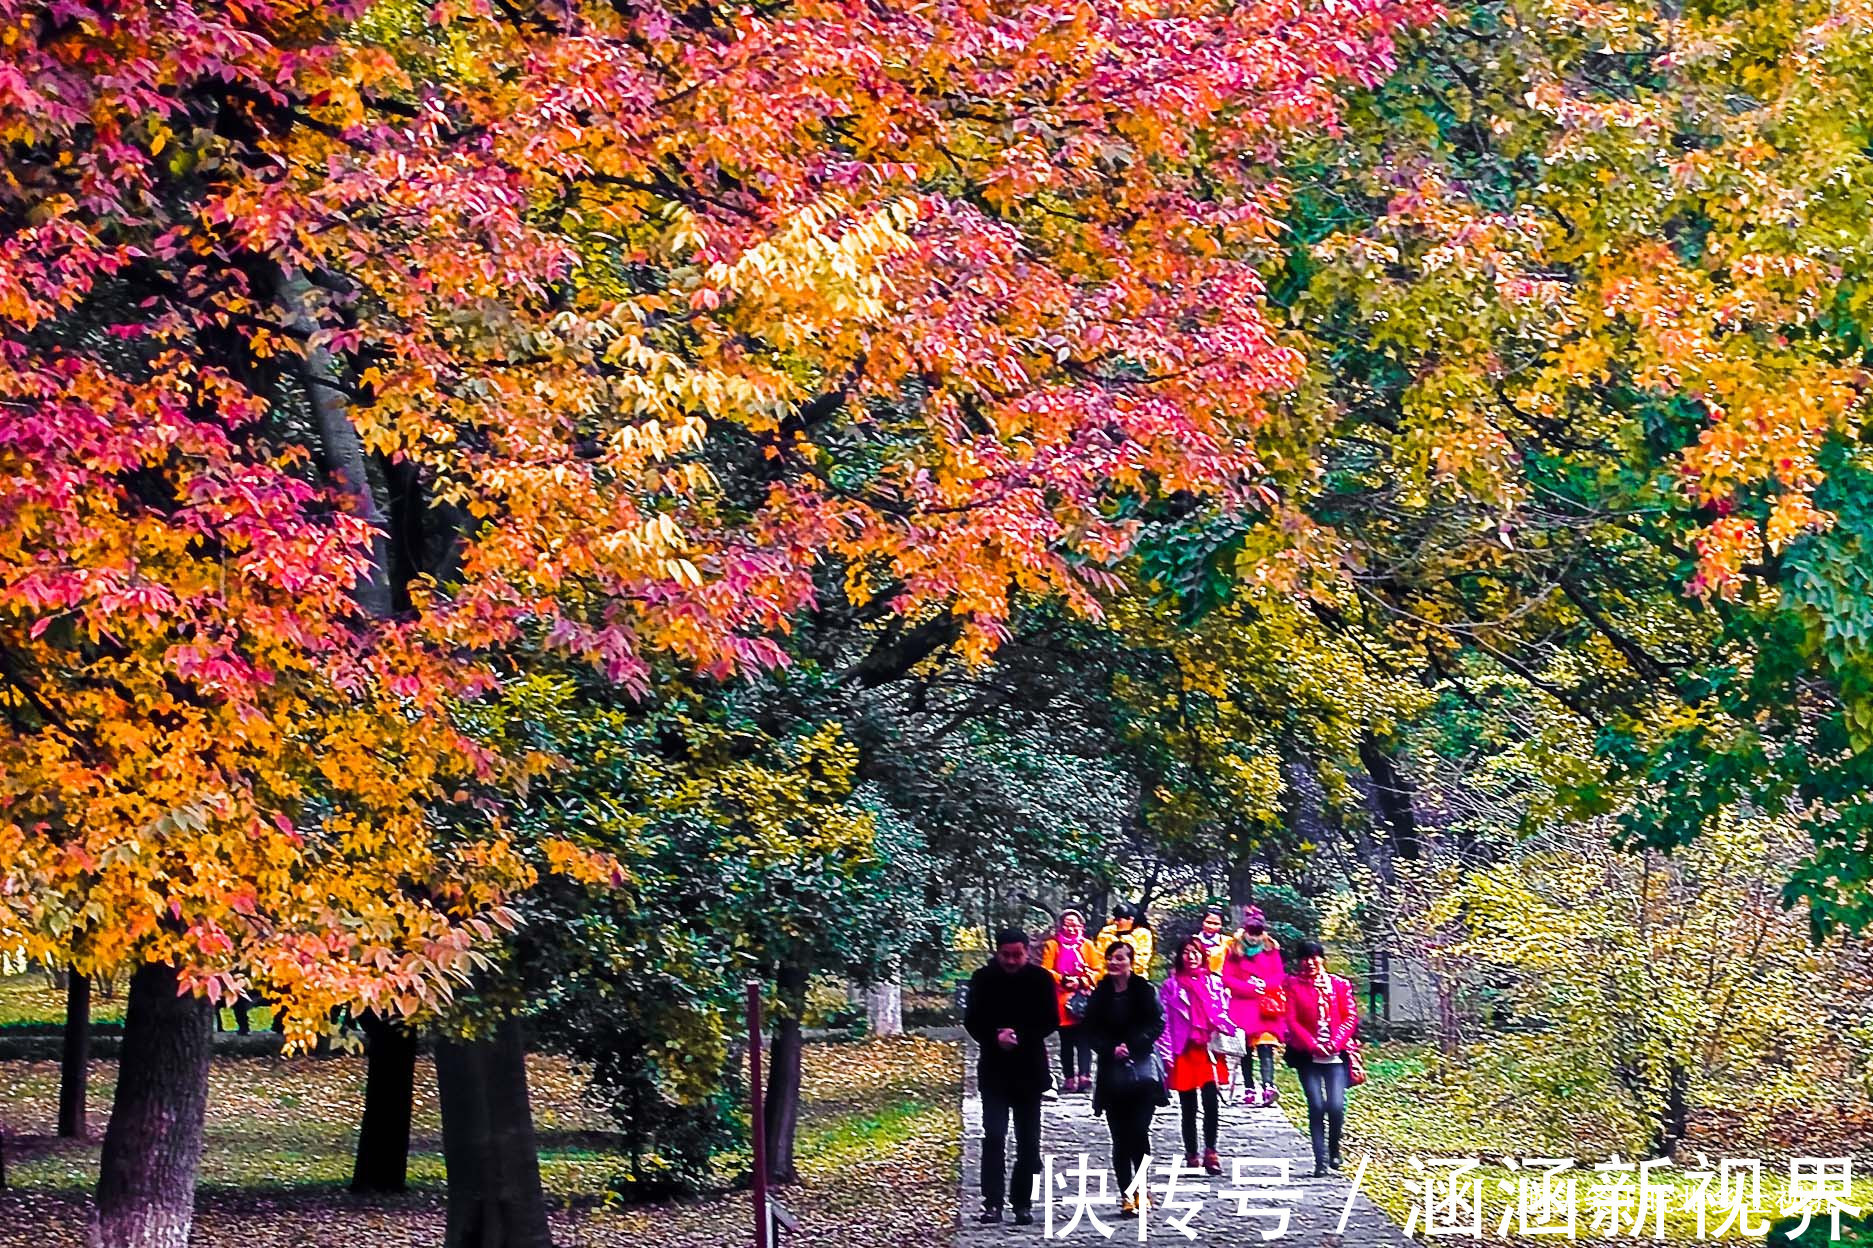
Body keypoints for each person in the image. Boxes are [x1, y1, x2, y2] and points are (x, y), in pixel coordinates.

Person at [963, 927, 1060, 1225]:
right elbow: (972, 1020)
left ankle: (1023, 1202)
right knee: (993, 1136)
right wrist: (995, 1036)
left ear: (1027, 952)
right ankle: (992, 1202)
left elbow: (1050, 1020)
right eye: (1006, 955)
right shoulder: (983, 979)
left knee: (1029, 1140)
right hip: (994, 1069)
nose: (1011, 960)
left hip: (1029, 1068)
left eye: (1017, 955)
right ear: (997, 952)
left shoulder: (1041, 979)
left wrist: (1020, 1035)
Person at [1083, 939, 1165, 1219]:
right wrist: (1109, 1048)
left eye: (1121, 958)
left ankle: (1142, 1188)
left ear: (1131, 962)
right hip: (1111, 1074)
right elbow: (1090, 1029)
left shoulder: (1144, 990)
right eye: (1111, 958)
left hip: (1141, 1071)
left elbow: (1158, 1022)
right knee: (1119, 1137)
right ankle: (1127, 1193)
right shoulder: (1100, 993)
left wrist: (1134, 1044)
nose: (1115, 963)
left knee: (1139, 1132)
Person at [1156, 933, 1239, 1176]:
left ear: (1203, 955)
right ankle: (1191, 1153)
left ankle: (1211, 1152)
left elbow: (1223, 1010)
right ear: (1179, 957)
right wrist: (1167, 1052)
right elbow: (1165, 1021)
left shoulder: (1213, 982)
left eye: (1195, 952)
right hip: (1183, 1049)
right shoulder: (1171, 986)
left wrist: (1225, 1025)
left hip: (1209, 1048)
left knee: (1212, 1101)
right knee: (1188, 1105)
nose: (1191, 957)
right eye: (1186, 952)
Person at [1284, 939, 1359, 1177]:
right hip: (1307, 1055)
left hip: (1337, 1054)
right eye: (1305, 958)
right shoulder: (1293, 986)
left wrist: (1335, 1043)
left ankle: (1334, 1148)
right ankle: (1320, 1160)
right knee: (1316, 1104)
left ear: (1322, 959)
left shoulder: (1339, 985)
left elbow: (1350, 1017)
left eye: (1314, 957)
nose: (1310, 963)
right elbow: (1292, 1020)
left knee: (1336, 1105)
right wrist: (1314, 1044)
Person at [1220, 904, 1287, 1107]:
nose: (1254, 938)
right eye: (1251, 933)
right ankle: (1249, 1088)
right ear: (1245, 931)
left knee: (1266, 1045)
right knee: (1246, 1049)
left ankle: (1268, 1085)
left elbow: (1279, 974)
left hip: (1265, 1006)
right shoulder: (1234, 950)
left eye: (1258, 934)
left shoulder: (1270, 949)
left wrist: (1265, 985)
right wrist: (1247, 987)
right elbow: (1227, 977)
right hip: (1242, 1006)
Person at [1041, 909, 1103, 1093]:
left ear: (1082, 927)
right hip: (1061, 1001)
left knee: (1085, 1040)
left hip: (1084, 998)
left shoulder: (1087, 946)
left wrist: (1082, 980)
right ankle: (1069, 1077)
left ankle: (1085, 1076)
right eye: (1068, 925)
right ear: (1061, 927)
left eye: (1075, 925)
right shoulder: (1052, 945)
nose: (1071, 929)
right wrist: (1063, 980)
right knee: (1066, 1042)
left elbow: (1099, 970)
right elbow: (1046, 970)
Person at [1095, 902, 1154, 977]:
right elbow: (1099, 957)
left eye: (1119, 919)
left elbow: (1141, 960)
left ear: (1130, 919)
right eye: (1115, 919)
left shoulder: (1142, 934)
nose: (1115, 922)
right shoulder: (1106, 933)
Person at [1196, 904, 1229, 973]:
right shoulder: (1192, 941)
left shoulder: (1227, 942)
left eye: (1216, 924)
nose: (1211, 927)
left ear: (1221, 925)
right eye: (1208, 922)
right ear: (1202, 922)